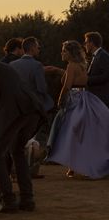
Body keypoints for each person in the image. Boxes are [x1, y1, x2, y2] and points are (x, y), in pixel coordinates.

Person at [0, 52, 44, 212]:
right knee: (17, 151)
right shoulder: (5, 67)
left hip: (13, 114)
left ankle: (9, 199)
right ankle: (27, 199)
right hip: (31, 111)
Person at [45, 40, 109, 179]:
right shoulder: (82, 64)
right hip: (85, 97)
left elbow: (67, 86)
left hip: (74, 100)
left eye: (64, 51)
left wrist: (60, 100)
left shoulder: (71, 66)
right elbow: (77, 79)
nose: (62, 53)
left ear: (70, 53)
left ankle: (74, 165)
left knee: (69, 132)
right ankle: (74, 166)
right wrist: (58, 70)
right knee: (79, 133)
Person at [10, 37, 54, 113]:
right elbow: (42, 89)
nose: (39, 50)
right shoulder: (37, 65)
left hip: (17, 103)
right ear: (32, 49)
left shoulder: (12, 64)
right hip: (34, 103)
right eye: (38, 48)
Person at [84, 31, 109, 107]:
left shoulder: (103, 55)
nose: (85, 45)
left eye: (86, 42)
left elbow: (106, 76)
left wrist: (87, 79)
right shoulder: (96, 56)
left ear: (91, 43)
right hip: (96, 97)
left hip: (102, 98)